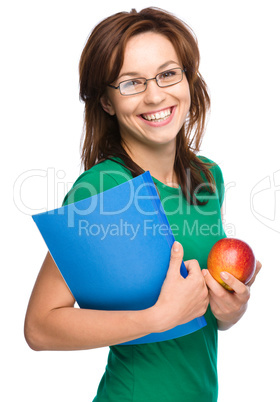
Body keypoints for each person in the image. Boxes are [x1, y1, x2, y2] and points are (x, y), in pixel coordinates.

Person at [24, 7, 261, 402]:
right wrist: (156, 318)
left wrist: (228, 312)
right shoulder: (103, 188)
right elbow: (40, 327)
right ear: (106, 102)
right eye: (131, 83)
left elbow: (199, 320)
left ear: (188, 79)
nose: (155, 95)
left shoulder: (206, 178)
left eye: (168, 73)